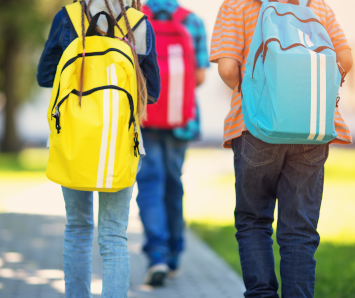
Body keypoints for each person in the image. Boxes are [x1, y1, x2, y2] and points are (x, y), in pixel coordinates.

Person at [210, 0, 353, 297]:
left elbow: (227, 68)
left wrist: (256, 94)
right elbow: (345, 58)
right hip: (312, 129)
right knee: (300, 228)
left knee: (253, 219)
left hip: (256, 127)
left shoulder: (237, 6)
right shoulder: (317, 7)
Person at [37, 0, 160, 297]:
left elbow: (44, 76)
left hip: (75, 141)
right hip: (119, 144)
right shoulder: (138, 22)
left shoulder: (68, 18)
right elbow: (152, 92)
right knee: (114, 236)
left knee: (78, 229)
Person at [135, 0, 210, 286]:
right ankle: (175, 254)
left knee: (150, 184)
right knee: (173, 183)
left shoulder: (136, 19)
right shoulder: (191, 21)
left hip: (145, 117)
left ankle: (157, 255)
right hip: (182, 120)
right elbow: (199, 76)